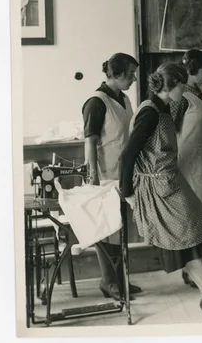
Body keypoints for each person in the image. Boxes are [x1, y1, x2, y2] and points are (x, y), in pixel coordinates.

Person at [120, 63, 202, 318]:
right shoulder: (149, 113)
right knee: (187, 241)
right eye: (183, 85)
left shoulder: (166, 107)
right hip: (158, 187)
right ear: (171, 86)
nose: (186, 90)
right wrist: (127, 193)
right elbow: (127, 156)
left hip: (172, 180)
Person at [82, 52, 142, 301]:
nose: (134, 79)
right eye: (130, 75)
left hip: (123, 174)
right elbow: (90, 143)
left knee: (120, 229)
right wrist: (93, 177)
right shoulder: (96, 102)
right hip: (104, 177)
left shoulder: (124, 99)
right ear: (116, 75)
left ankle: (119, 278)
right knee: (106, 229)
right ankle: (108, 281)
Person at [169, 49, 202, 288]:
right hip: (187, 164)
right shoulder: (180, 97)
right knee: (192, 219)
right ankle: (192, 270)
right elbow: (167, 129)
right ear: (193, 70)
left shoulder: (199, 92)